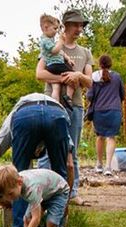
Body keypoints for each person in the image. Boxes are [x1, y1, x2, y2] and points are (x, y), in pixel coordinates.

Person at [0, 93, 76, 227]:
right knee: (55, 173)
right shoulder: (57, 114)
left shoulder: (13, 117)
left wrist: (0, 195)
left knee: (16, 177)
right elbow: (69, 166)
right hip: (57, 115)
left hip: (25, 117)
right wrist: (65, 202)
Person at [35, 10, 92, 207]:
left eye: (81, 25)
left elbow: (90, 81)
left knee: (72, 151)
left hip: (74, 106)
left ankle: (72, 193)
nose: (79, 29)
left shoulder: (85, 52)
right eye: (75, 25)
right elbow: (40, 74)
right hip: (51, 106)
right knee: (47, 150)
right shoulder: (50, 47)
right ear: (65, 26)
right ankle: (41, 190)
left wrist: (78, 77)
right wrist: (62, 78)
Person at [85, 55, 125, 177]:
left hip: (99, 110)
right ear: (110, 64)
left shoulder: (94, 77)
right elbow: (122, 94)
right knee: (111, 137)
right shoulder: (117, 77)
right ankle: (108, 166)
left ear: (99, 64)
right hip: (114, 110)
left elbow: (89, 96)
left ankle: (98, 164)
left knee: (100, 136)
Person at [38, 14, 76, 107]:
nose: (56, 31)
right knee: (73, 76)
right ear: (46, 27)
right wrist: (60, 41)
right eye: (54, 29)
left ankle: (56, 104)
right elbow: (55, 51)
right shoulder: (45, 41)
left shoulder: (50, 40)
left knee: (56, 86)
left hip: (52, 66)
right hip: (55, 64)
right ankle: (68, 97)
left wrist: (68, 59)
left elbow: (61, 52)